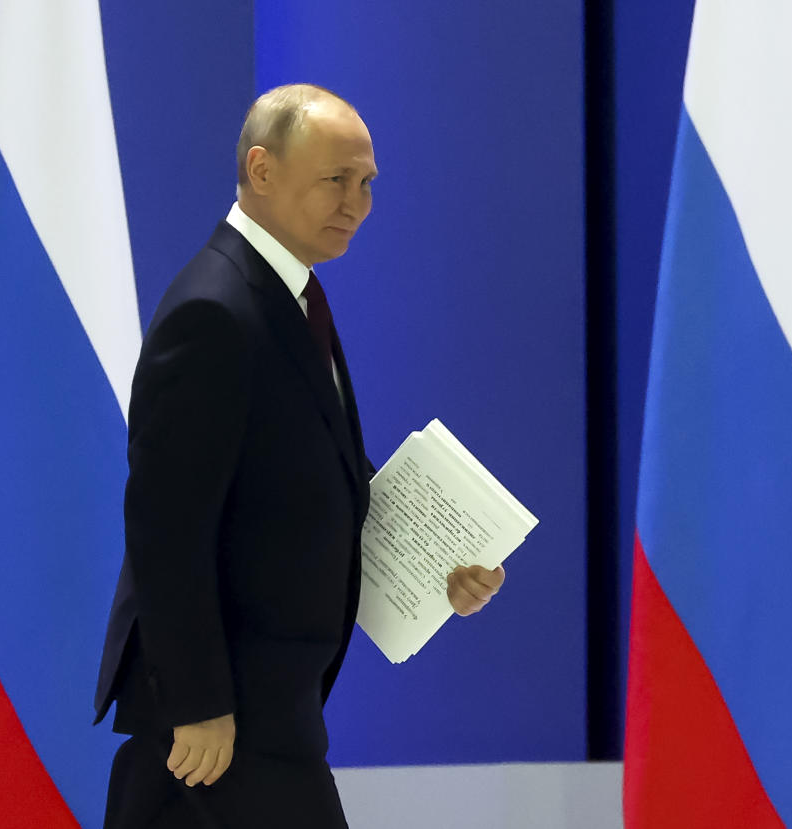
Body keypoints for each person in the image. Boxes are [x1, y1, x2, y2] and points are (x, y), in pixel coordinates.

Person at [93, 84, 507, 828]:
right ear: (261, 169)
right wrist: (199, 704)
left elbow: (305, 476)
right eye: (336, 179)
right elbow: (165, 526)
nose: (358, 200)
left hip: (269, 714)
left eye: (368, 182)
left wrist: (438, 561)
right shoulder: (213, 311)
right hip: (218, 728)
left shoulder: (290, 294)